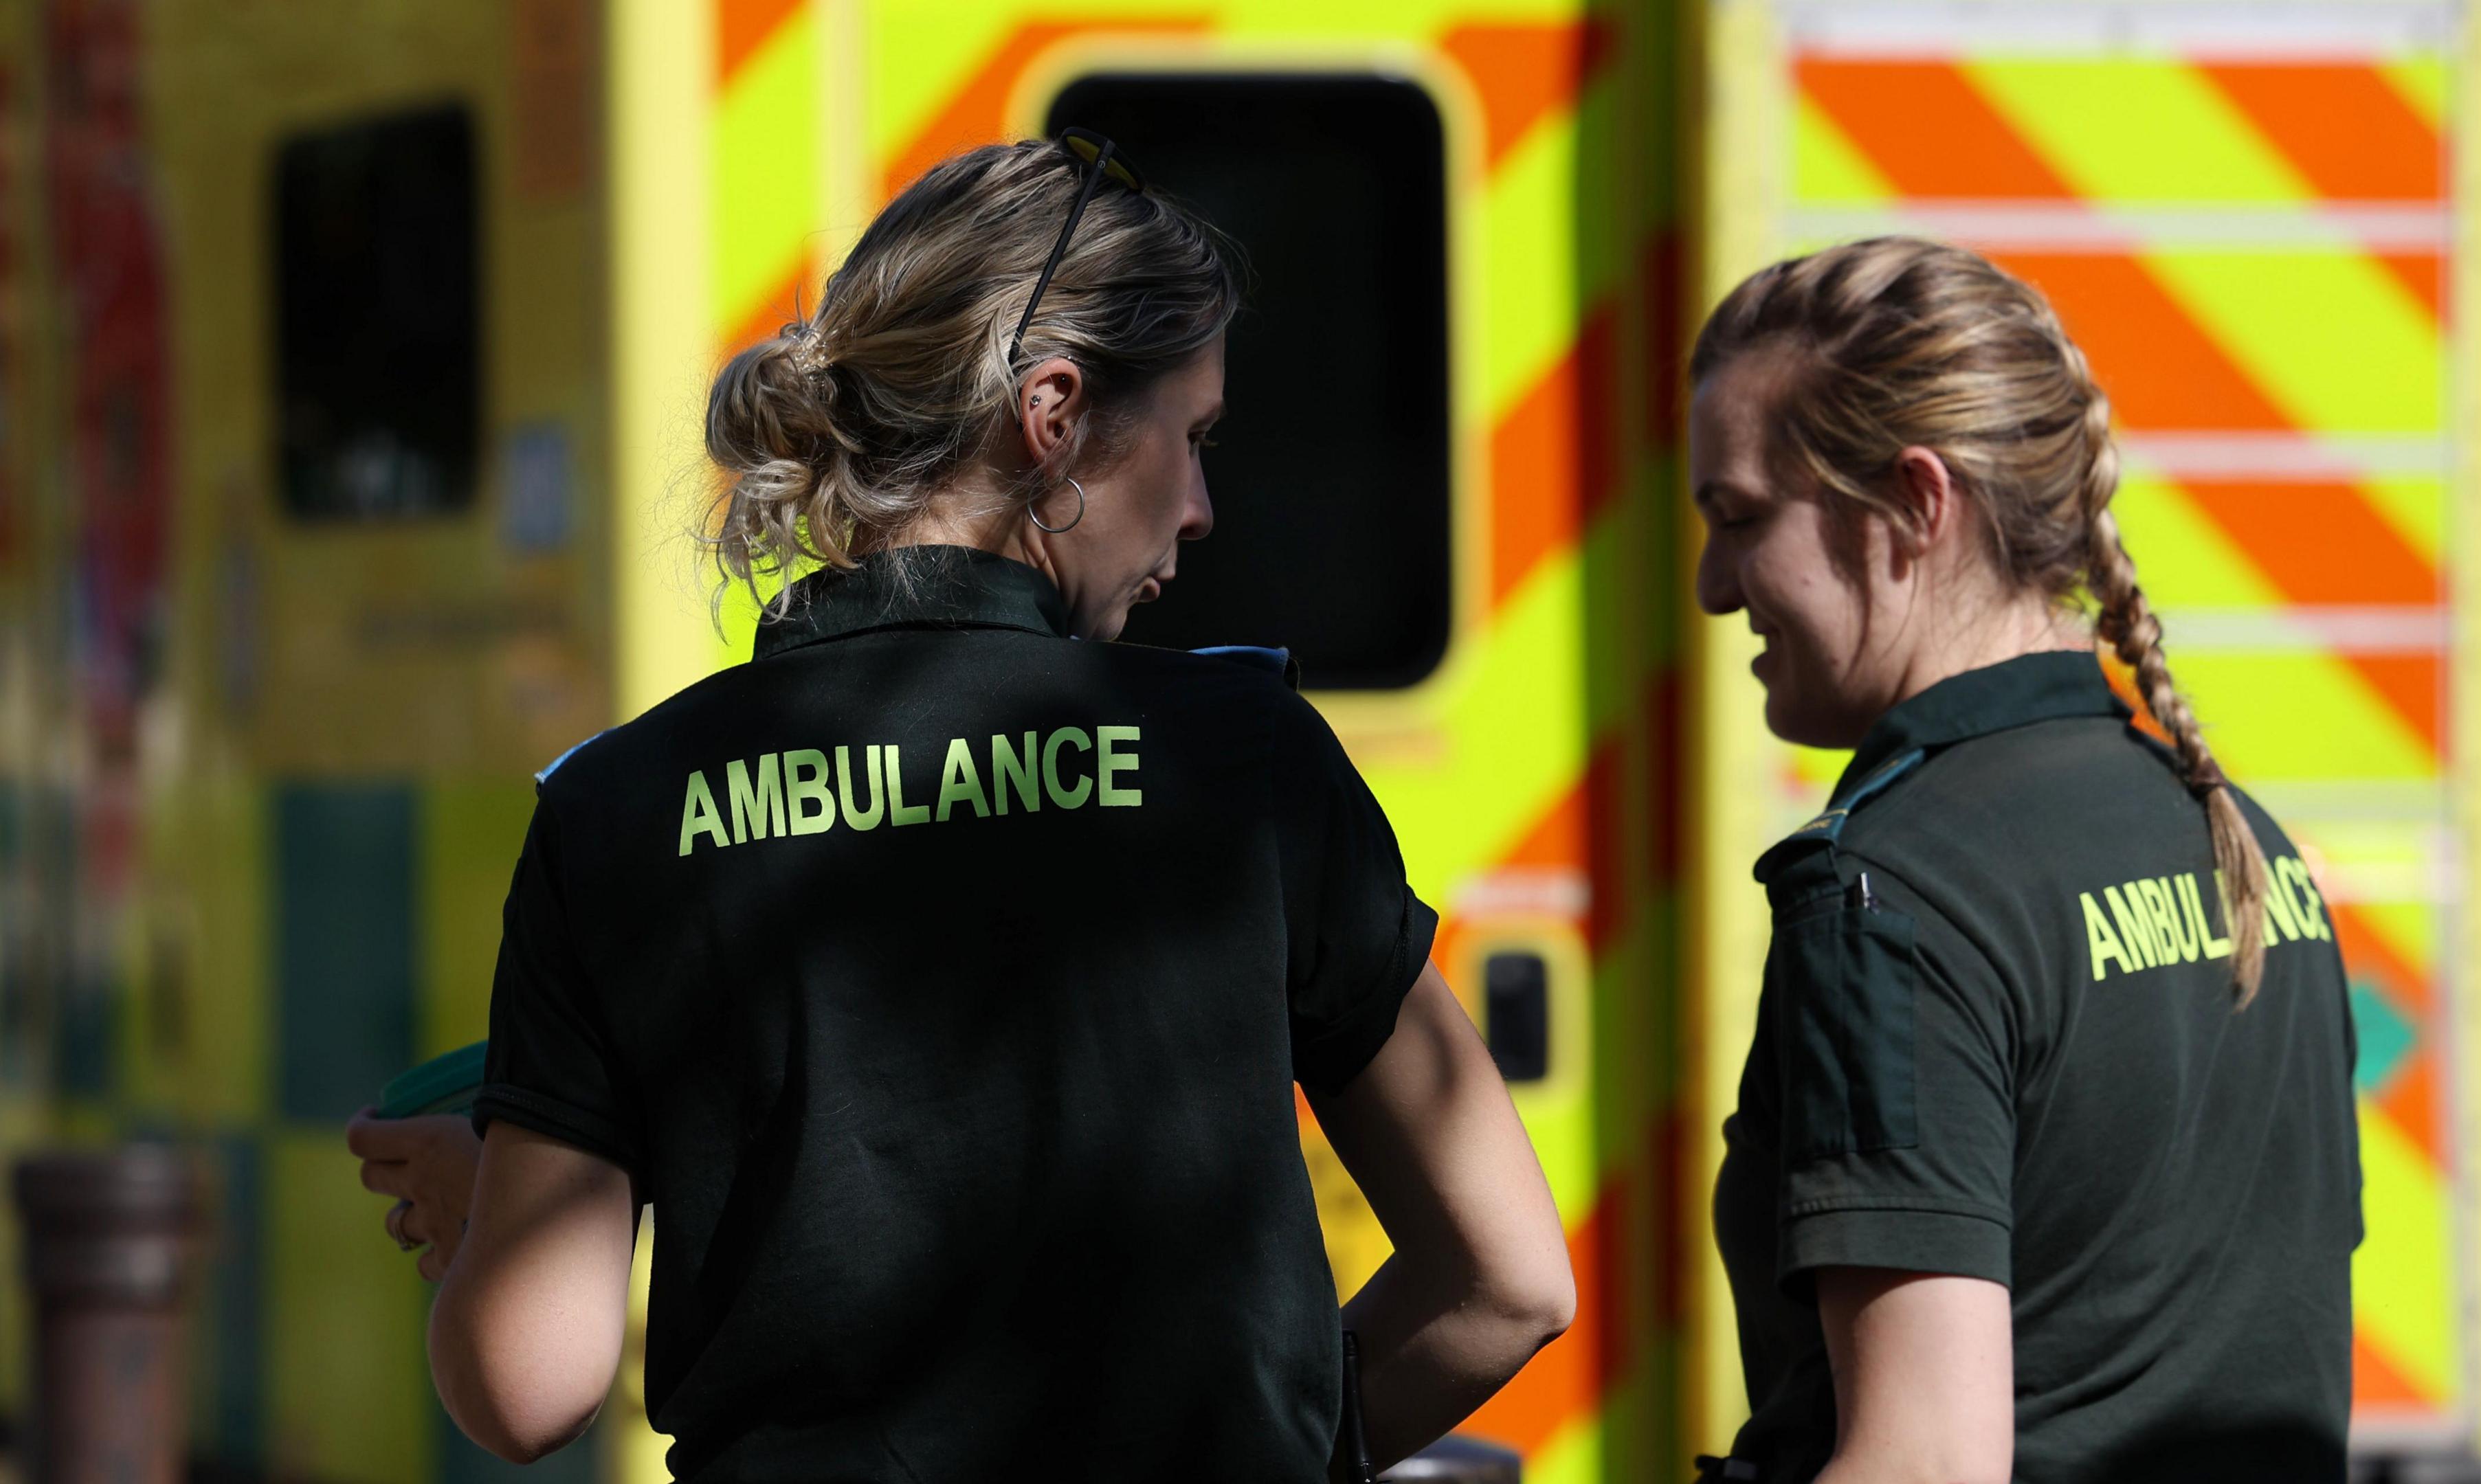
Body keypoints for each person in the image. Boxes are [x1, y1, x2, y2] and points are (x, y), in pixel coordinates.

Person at [346, 133, 1572, 1482]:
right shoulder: (1250, 763)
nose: (1206, 507)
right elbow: (1507, 1284)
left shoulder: (617, 810)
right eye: (1194, 437)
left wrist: (485, 1228)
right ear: (1052, 418)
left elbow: (527, 1391)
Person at [1686, 238, 2360, 1484]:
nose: (1716, 585)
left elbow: (1925, 1462)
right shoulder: (2245, 848)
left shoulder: (1891, 896)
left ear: (1913, 503)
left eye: (1739, 518)